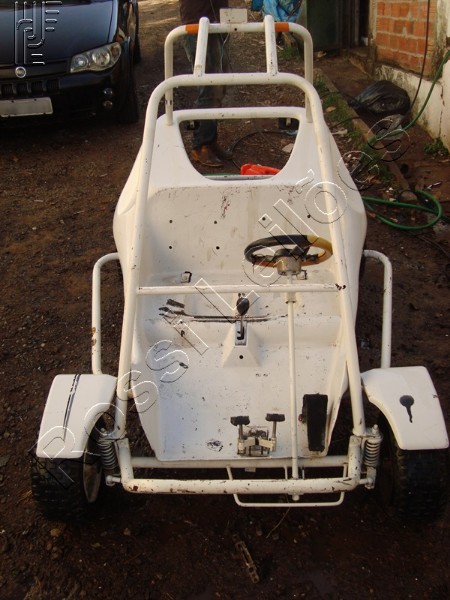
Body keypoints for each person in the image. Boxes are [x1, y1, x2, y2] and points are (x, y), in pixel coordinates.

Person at [179, 0, 232, 167]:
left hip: (218, 24)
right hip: (197, 27)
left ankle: (210, 140)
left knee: (219, 86)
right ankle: (200, 145)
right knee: (207, 88)